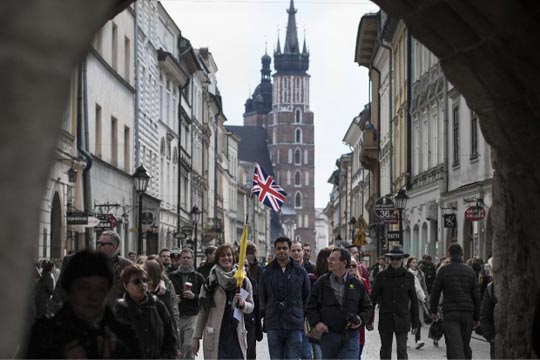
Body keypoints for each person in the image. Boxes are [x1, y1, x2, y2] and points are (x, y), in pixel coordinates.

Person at [26, 250, 140, 359]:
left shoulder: (123, 336)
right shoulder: (44, 335)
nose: (93, 296)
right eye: (84, 288)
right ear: (70, 289)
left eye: (100, 289)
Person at [46, 230, 132, 316]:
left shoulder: (126, 266)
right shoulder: (77, 261)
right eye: (98, 243)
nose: (98, 246)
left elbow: (131, 294)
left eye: (102, 244)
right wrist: (51, 311)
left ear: (114, 246)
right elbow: (60, 289)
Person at [306, 248, 372, 359]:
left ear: (344, 263)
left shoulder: (356, 284)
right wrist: (317, 323)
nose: (329, 262)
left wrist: (360, 320)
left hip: (350, 335)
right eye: (329, 259)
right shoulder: (322, 283)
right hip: (328, 336)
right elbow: (310, 306)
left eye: (333, 259)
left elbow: (367, 307)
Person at [191, 243, 254, 359]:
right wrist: (196, 338)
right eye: (222, 256)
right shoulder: (210, 282)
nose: (226, 258)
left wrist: (243, 304)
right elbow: (203, 312)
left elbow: (251, 306)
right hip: (216, 337)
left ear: (233, 258)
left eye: (229, 255)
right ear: (217, 259)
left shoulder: (243, 281)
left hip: (236, 335)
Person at [259, 236, 310, 360]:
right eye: (279, 248)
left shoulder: (300, 272)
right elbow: (262, 296)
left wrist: (300, 314)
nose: (282, 251)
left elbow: (306, 295)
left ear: (289, 249)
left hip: (294, 324)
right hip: (274, 324)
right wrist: (268, 312)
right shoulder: (267, 272)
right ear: (275, 250)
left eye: (285, 248)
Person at [114, 264, 177, 359]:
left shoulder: (158, 306)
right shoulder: (120, 311)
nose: (142, 285)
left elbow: (171, 340)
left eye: (144, 280)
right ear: (126, 286)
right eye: (136, 282)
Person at [430, 243, 481, 360]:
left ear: (449, 254)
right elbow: (477, 296)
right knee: (464, 343)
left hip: (450, 312)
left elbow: (435, 292)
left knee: (454, 345)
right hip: (468, 312)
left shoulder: (444, 270)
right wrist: (477, 317)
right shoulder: (470, 271)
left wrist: (433, 311)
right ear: (462, 254)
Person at [370, 246, 420, 360]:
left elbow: (414, 300)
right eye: (392, 259)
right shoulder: (381, 276)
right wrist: (369, 319)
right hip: (386, 318)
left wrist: (415, 322)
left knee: (402, 350)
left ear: (402, 259)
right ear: (389, 260)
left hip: (402, 318)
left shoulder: (409, 277)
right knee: (385, 350)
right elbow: (372, 299)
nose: (395, 261)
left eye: (398, 259)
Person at [169, 248, 205, 359]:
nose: (186, 260)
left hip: (192, 316)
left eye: (188, 258)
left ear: (192, 260)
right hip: (175, 316)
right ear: (179, 259)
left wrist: (194, 296)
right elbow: (165, 296)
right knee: (177, 347)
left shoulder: (198, 277)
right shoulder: (171, 276)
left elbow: (205, 298)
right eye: (184, 258)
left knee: (188, 346)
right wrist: (173, 299)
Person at [145, 259, 180, 339]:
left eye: (145, 270)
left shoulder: (164, 294)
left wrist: (175, 343)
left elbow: (170, 318)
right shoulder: (137, 291)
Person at [290, 240, 312, 360]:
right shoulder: (285, 270)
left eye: (299, 250)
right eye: (293, 250)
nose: (296, 253)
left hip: (306, 317)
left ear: (303, 252)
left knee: (306, 354)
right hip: (291, 318)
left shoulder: (312, 269)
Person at [348, 257, 373, 359]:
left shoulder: (362, 281)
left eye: (353, 266)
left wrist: (369, 321)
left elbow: (368, 304)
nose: (351, 268)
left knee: (358, 348)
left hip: (359, 321)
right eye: (349, 266)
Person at [243, 258, 263, 360]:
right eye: (241, 265)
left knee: (250, 353)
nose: (243, 268)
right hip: (235, 324)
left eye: (246, 266)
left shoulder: (252, 283)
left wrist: (258, 329)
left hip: (250, 322)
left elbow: (257, 307)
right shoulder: (230, 283)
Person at [407, 256, 428, 349]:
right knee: (407, 319)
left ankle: (418, 340)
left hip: (418, 300)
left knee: (418, 319)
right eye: (413, 262)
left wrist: (426, 297)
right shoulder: (406, 274)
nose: (415, 264)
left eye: (416, 262)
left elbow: (424, 286)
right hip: (408, 300)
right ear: (409, 264)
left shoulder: (420, 274)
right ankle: (405, 340)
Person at [480, 257, 496, 359]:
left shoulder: (491, 287)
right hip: (497, 338)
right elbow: (485, 316)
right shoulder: (491, 288)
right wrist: (491, 337)